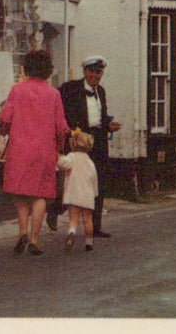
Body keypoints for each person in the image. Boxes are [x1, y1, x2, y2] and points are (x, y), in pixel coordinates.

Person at [0, 50, 69, 256]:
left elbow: (5, 118)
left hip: (19, 148)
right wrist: (59, 148)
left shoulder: (17, 90)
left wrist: (4, 131)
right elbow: (61, 126)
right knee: (40, 195)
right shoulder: (53, 94)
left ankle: (22, 232)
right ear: (48, 70)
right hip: (44, 149)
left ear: (27, 67)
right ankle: (35, 239)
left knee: (21, 193)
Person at [55, 55, 122, 237]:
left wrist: (110, 123)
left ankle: (95, 227)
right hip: (77, 142)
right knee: (70, 182)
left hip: (98, 141)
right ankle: (55, 210)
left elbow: (100, 116)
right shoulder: (70, 88)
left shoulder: (101, 90)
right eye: (92, 71)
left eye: (98, 72)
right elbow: (59, 112)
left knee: (97, 181)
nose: (95, 75)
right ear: (85, 71)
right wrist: (68, 133)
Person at [57, 130, 99, 252]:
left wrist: (58, 156)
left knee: (73, 218)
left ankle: (71, 233)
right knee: (87, 219)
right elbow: (94, 180)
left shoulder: (72, 157)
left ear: (73, 144)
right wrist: (94, 194)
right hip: (87, 195)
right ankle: (89, 243)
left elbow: (62, 164)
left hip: (73, 193)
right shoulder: (90, 163)